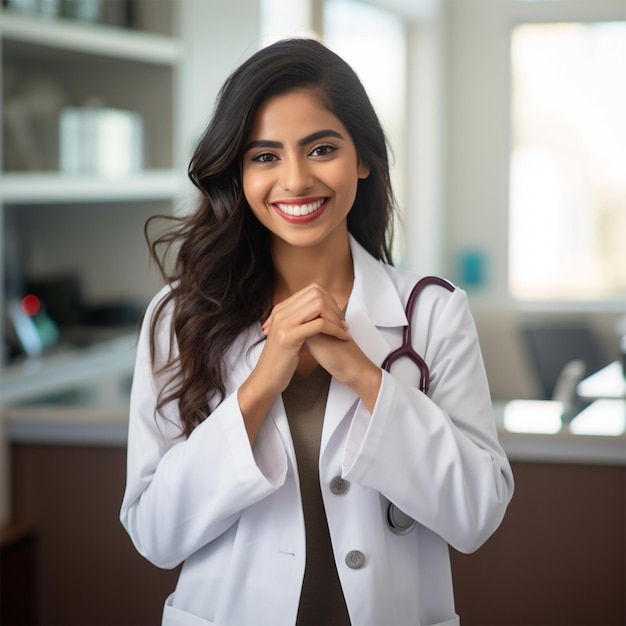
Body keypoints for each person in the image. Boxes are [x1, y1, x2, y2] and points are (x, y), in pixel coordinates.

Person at [120, 37, 514, 626]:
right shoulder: (178, 318)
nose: (296, 179)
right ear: (239, 171)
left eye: (321, 148)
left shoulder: (433, 312)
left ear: (363, 158)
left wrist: (361, 372)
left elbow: (476, 515)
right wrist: (259, 385)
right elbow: (155, 534)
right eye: (265, 156)